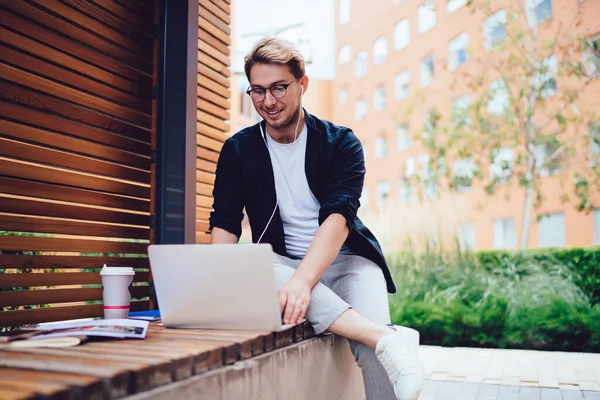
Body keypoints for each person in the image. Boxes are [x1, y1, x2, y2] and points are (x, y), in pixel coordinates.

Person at [209, 37, 424, 400]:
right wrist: (216, 278)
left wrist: (302, 283)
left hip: (347, 261)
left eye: (279, 87)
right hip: (281, 264)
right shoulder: (238, 150)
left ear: (302, 84)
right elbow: (226, 220)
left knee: (376, 359)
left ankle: (381, 345)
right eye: (257, 91)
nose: (268, 101)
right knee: (256, 265)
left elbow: (339, 219)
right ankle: (387, 337)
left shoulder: (342, 143)